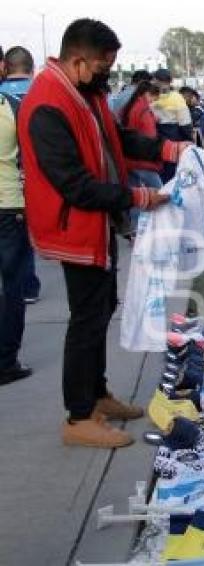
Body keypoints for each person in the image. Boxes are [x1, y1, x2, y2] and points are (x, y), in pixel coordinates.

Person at [18, 18, 190, 448]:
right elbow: (73, 183)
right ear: (78, 60)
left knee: (99, 310)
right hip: (73, 228)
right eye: (102, 66)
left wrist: (167, 149)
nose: (107, 75)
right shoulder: (47, 104)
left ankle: (96, 395)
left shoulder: (85, 94)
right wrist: (137, 198)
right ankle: (78, 417)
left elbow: (119, 140)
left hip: (95, 226)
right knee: (87, 321)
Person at [0, 45, 35, 385]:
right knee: (12, 286)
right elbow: (29, 159)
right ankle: (5, 361)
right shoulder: (14, 106)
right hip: (10, 207)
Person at [0, 45, 41, 305]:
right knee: (22, 242)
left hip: (8, 185)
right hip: (27, 184)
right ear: (32, 67)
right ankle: (28, 286)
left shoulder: (3, 98)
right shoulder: (40, 95)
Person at [120, 80, 163, 193]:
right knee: (161, 193)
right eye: (154, 99)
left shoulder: (131, 106)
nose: (153, 102)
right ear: (147, 94)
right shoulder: (144, 111)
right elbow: (150, 137)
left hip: (129, 160)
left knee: (135, 196)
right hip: (143, 161)